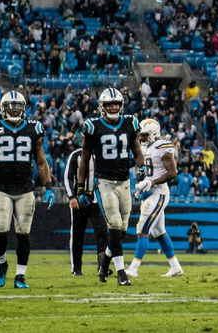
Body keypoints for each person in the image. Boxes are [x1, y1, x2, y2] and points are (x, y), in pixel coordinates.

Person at [0, 91, 54, 289]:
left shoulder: (33, 128)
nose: (14, 110)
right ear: (3, 108)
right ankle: (2, 263)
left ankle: (20, 275)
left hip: (25, 188)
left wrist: (48, 187)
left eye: (18, 106)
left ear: (24, 108)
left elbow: (41, 161)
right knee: (0, 232)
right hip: (2, 188)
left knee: (23, 234)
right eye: (10, 106)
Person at [75, 88, 144, 286]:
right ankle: (121, 273)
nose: (113, 107)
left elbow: (137, 150)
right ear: (102, 107)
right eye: (109, 104)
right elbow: (84, 159)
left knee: (121, 230)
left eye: (116, 104)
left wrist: (143, 166)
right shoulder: (93, 127)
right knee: (114, 224)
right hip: (104, 182)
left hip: (124, 182)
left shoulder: (130, 123)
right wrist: (81, 188)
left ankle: (105, 261)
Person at [127, 119, 184, 279]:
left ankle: (133, 269)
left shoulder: (162, 147)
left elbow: (172, 173)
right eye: (141, 135)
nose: (142, 138)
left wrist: (151, 182)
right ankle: (175, 267)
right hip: (149, 192)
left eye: (145, 135)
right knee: (159, 232)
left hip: (159, 192)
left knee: (142, 229)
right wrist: (142, 186)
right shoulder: (145, 148)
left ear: (154, 133)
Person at [65, 148, 111, 278]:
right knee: (77, 235)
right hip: (79, 200)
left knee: (102, 232)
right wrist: (71, 197)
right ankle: (76, 268)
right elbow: (67, 177)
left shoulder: (102, 153)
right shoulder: (76, 155)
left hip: (98, 200)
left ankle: (102, 266)